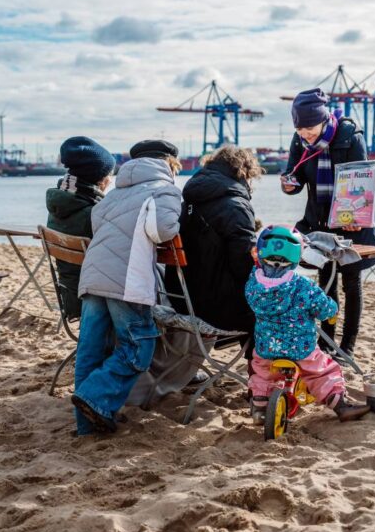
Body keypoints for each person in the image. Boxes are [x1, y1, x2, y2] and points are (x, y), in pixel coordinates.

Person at [72, 140, 182, 435]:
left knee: (90, 349)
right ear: (169, 163)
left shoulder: (113, 192)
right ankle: (94, 398)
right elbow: (161, 231)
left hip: (93, 276)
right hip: (126, 279)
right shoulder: (165, 189)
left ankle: (85, 425)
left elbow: (97, 225)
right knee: (138, 347)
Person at [281, 88, 375, 358]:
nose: (305, 135)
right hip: (318, 221)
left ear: (324, 119)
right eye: (300, 130)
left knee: (351, 281)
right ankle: (326, 343)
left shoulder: (350, 135)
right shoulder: (299, 140)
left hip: (352, 221)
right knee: (325, 282)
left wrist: (357, 219)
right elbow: (295, 177)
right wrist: (288, 184)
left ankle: (347, 347)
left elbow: (364, 185)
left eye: (310, 129)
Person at [245, 225, 370, 423]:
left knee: (262, 373)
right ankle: (340, 406)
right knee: (323, 371)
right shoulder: (302, 286)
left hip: (266, 346)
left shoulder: (253, 283)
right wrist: (331, 311)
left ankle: (259, 407)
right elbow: (324, 307)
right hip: (300, 348)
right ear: (296, 257)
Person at [172, 145, 262, 335]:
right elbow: (244, 266)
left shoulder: (186, 203)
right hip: (217, 310)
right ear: (244, 172)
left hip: (182, 302)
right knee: (275, 304)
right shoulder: (236, 206)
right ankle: (258, 362)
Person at [46, 136, 115, 319]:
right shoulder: (94, 213)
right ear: (100, 180)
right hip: (95, 298)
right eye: (109, 174)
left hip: (69, 294)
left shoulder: (59, 206)